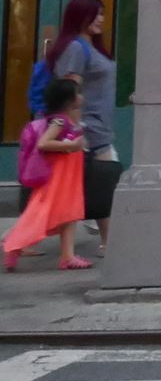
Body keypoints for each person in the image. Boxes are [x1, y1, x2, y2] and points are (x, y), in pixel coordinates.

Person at [48, 0, 118, 252]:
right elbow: (69, 92)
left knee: (98, 185)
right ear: (80, 17)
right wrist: (77, 130)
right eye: (95, 14)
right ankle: (109, 241)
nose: (101, 19)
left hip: (98, 126)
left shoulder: (91, 47)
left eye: (102, 13)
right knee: (104, 185)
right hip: (90, 127)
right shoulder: (76, 49)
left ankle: (108, 241)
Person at [4, 78, 91, 272]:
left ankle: (67, 256)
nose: (81, 96)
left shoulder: (67, 119)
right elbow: (43, 143)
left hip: (67, 176)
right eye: (78, 93)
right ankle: (14, 243)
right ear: (69, 100)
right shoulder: (60, 120)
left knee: (69, 214)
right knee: (44, 211)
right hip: (59, 177)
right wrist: (73, 145)